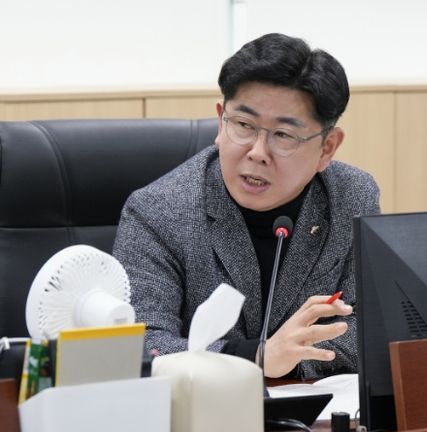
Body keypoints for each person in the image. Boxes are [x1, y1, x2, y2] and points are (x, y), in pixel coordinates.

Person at [113, 33, 380, 379]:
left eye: (283, 135)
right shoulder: (158, 212)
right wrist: (258, 357)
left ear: (327, 147)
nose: (257, 152)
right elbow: (141, 345)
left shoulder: (351, 196)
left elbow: (371, 327)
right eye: (243, 125)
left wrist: (292, 357)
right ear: (220, 120)